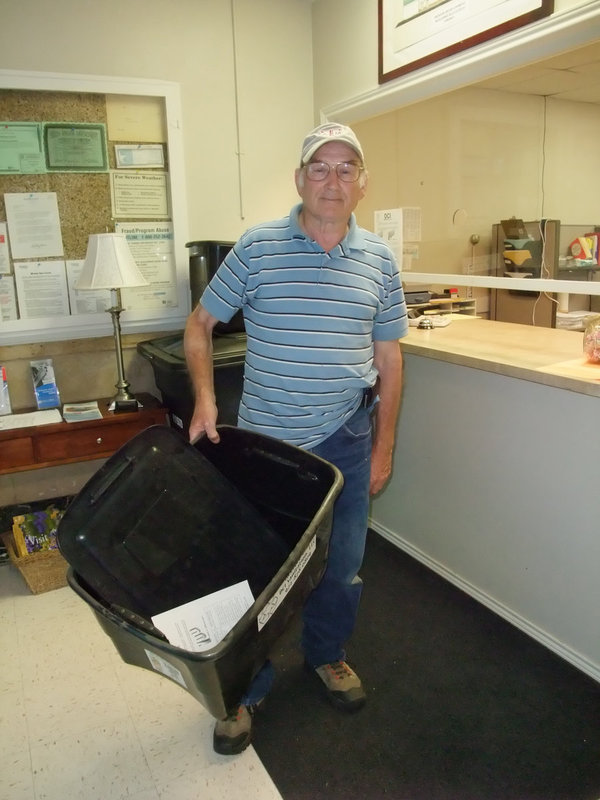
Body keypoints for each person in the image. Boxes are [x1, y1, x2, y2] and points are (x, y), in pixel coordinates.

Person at [184, 121, 408, 755]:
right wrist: (204, 399)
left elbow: (390, 361)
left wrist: (382, 448)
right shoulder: (257, 248)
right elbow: (199, 326)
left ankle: (327, 654)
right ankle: (243, 685)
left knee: (341, 566)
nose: (332, 181)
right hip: (267, 444)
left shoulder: (379, 260)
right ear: (299, 179)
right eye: (320, 168)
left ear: (362, 184)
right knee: (254, 571)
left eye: (346, 169)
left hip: (344, 437)